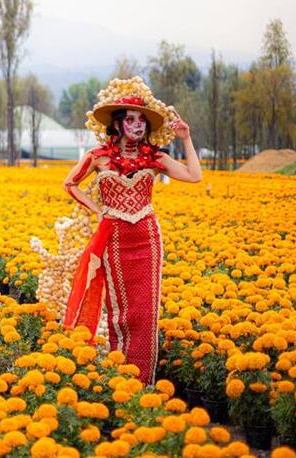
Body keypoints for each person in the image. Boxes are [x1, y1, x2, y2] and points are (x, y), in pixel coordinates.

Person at [60, 77, 202, 385]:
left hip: (147, 238)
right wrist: (97, 210)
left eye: (141, 121)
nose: (137, 125)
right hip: (114, 238)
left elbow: (194, 175)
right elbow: (69, 184)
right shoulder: (98, 157)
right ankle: (118, 375)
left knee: (145, 313)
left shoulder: (157, 158)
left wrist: (186, 138)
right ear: (118, 124)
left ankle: (143, 382)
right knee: (119, 312)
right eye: (131, 119)